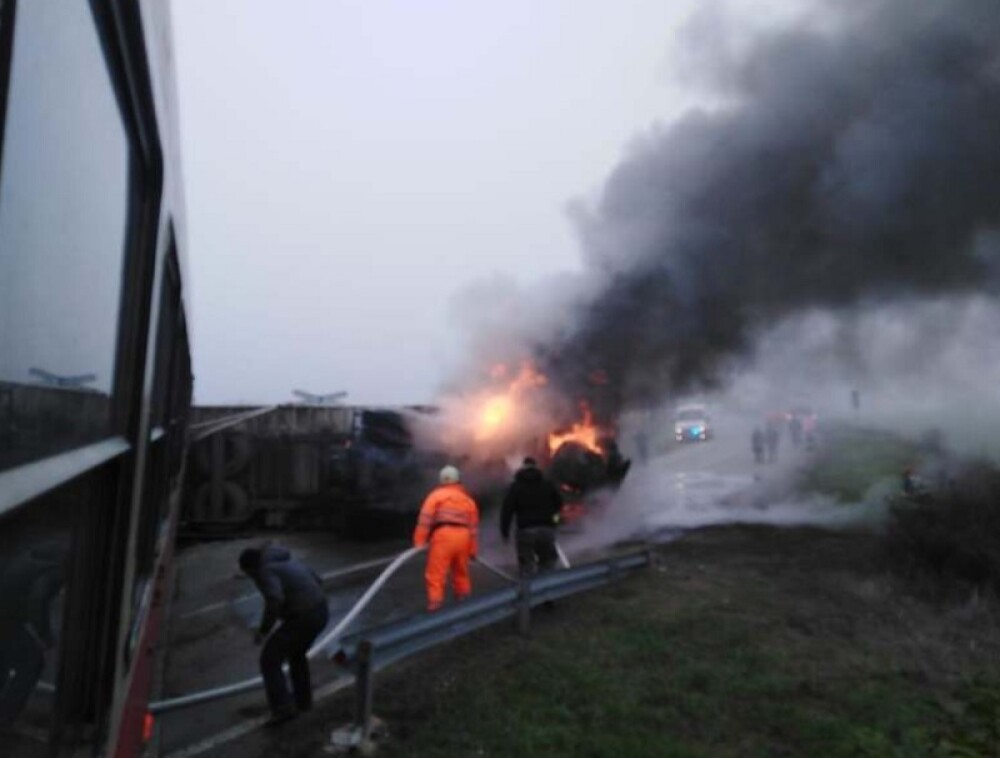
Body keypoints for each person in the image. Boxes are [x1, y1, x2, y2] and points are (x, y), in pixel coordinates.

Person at [239, 545, 329, 726]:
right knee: (296, 655)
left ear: (250, 569)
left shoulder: (264, 571)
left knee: (269, 660)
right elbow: (318, 580)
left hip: (304, 617)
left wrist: (264, 631)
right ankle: (303, 702)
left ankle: (283, 709)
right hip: (320, 611)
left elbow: (275, 599)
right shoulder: (286, 560)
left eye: (249, 575)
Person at [0, 539, 68, 727]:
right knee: (33, 661)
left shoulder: (44, 549)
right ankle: (5, 716)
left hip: (6, 611)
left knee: (5, 658)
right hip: (6, 614)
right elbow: (39, 598)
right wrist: (45, 636)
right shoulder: (59, 567)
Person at [413, 465, 479, 612]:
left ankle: (435, 605)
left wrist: (419, 542)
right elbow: (473, 528)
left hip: (443, 536)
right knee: (461, 572)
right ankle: (464, 601)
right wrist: (473, 550)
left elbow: (425, 520)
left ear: (441, 480)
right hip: (464, 537)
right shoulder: (468, 500)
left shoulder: (436, 496)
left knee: (436, 574)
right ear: (458, 480)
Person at [500, 457, 563, 577]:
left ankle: (529, 591)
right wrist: (554, 522)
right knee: (548, 561)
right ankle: (546, 589)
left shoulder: (515, 487)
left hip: (525, 530)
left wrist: (505, 533)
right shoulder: (547, 484)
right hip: (546, 529)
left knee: (526, 564)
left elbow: (507, 511)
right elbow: (558, 505)